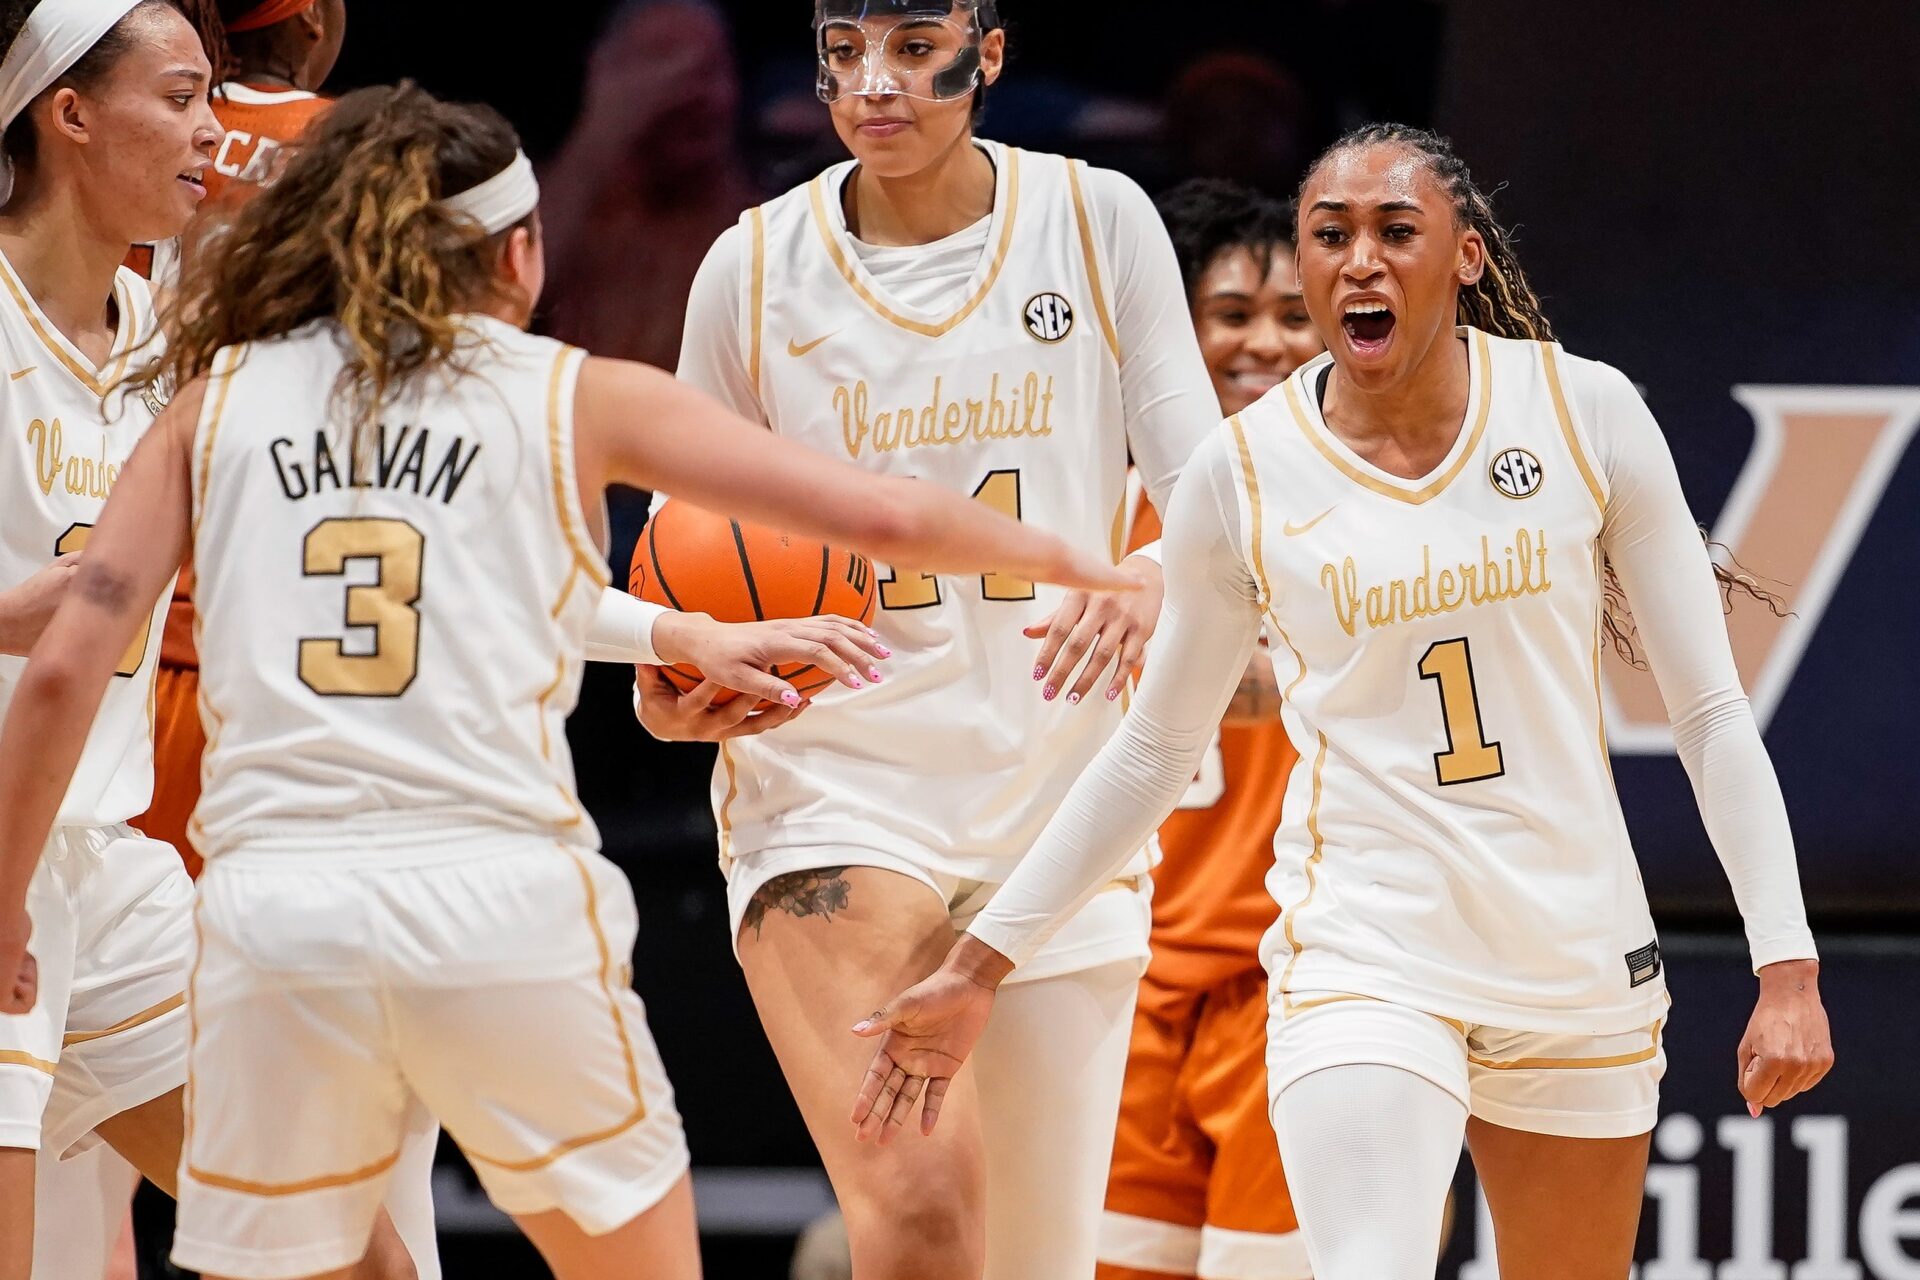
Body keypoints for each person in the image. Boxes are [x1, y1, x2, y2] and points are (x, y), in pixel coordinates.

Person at [0, 80, 1126, 1280]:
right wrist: (1077, 557)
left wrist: (4, 895)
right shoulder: (568, 391)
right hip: (499, 900)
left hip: (278, 913)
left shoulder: (209, 407)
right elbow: (889, 514)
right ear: (520, 249)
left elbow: (66, 666)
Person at [853, 124, 1836, 1280]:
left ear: (1466, 256)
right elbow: (1151, 752)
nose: (1359, 259)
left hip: (1573, 946)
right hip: (1366, 952)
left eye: (1394, 231)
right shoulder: (1242, 470)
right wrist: (980, 962)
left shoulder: (1588, 412)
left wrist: (1790, 964)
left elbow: (1712, 714)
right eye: (1331, 236)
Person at [648, 2, 1219, 1275]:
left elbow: (1211, 498)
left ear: (990, 53)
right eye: (844, 49)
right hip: (835, 787)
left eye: (912, 47)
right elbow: (680, 560)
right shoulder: (750, 269)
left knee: (1037, 1258)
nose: (873, 83)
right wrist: (672, 688)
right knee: (916, 1215)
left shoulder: (1094, 219)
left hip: (1063, 796)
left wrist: (1146, 570)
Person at [0, 3, 400, 1278]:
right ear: (68, 112)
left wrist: (666, 628)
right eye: (179, 98)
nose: (211, 129)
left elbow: (370, 564)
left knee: (354, 1254)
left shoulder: (168, 337)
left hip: (101, 866)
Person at [1098, 179, 1320, 1280]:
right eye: (1233, 315)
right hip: (1116, 977)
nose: (1265, 342)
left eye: (1295, 315)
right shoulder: (1100, 506)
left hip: (1294, 977)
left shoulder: (1368, 505)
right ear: (1180, 336)